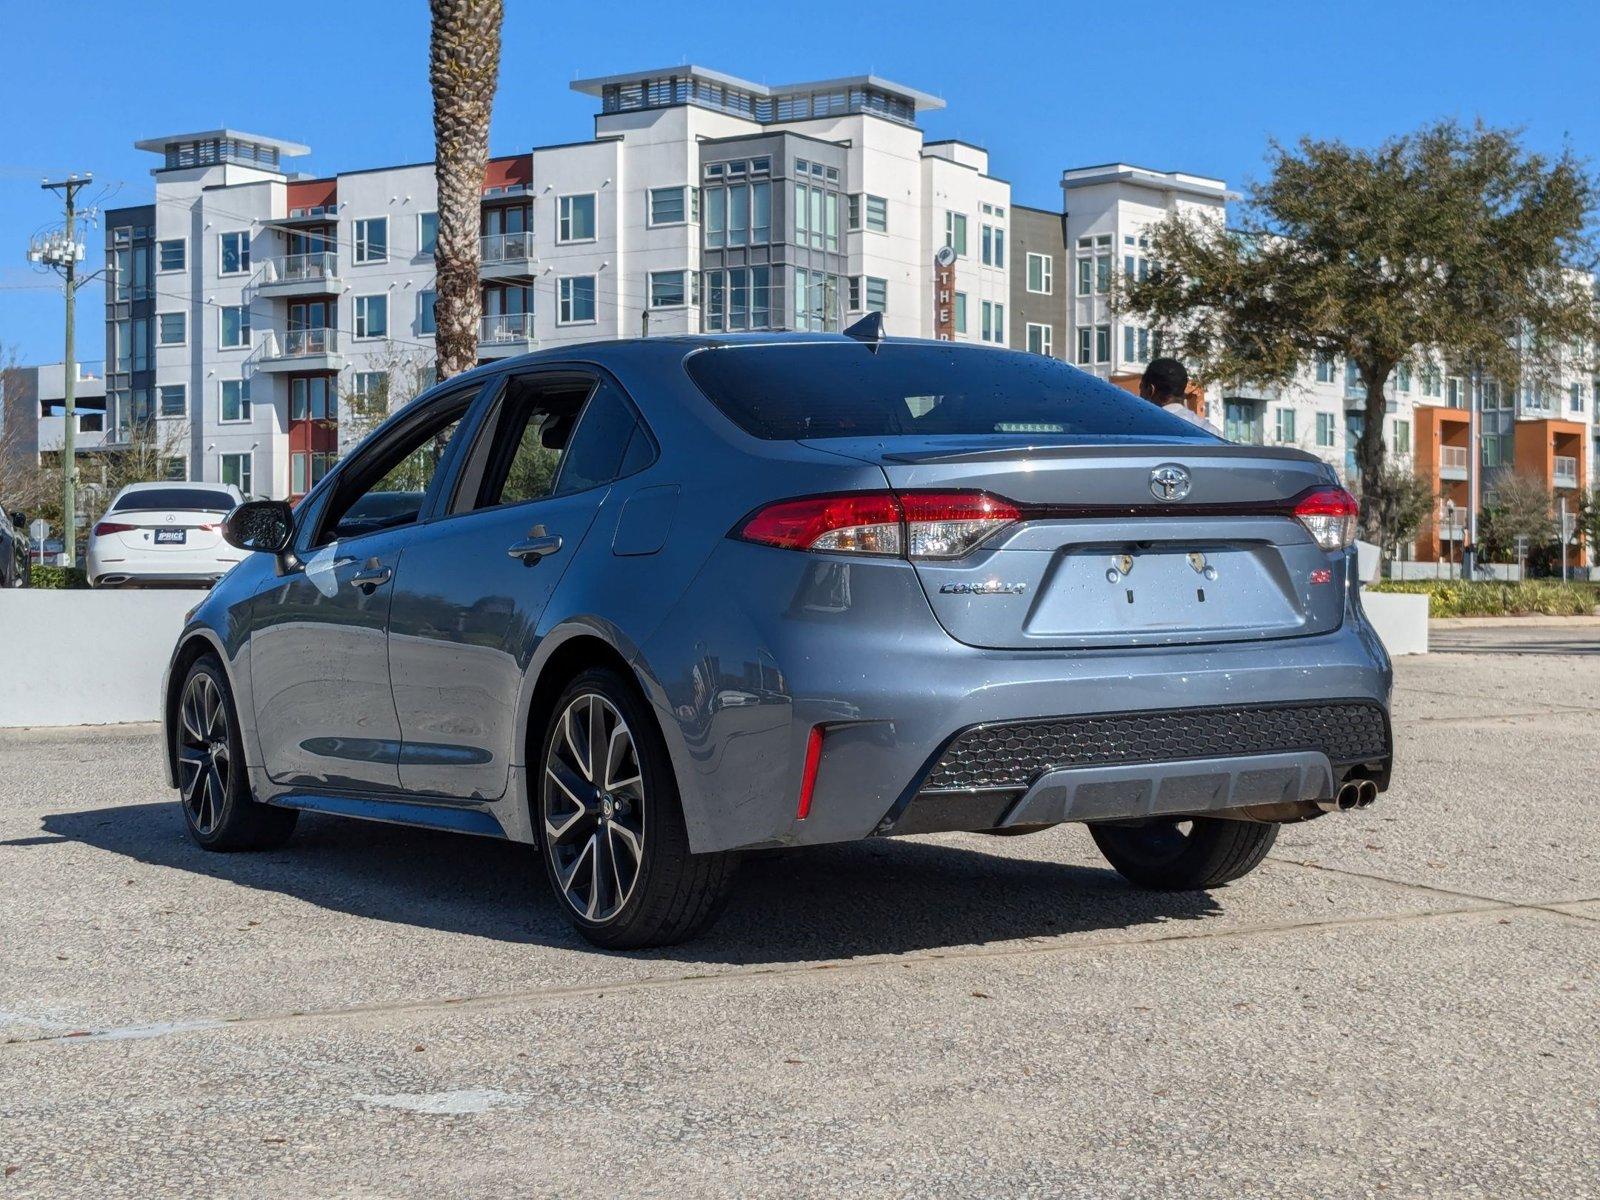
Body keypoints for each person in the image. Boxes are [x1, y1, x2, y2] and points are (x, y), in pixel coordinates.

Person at [1140, 357, 1222, 436]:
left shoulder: (1141, 430)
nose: (1139, 397)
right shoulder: (1211, 431)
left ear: (1151, 390)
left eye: (1141, 389)